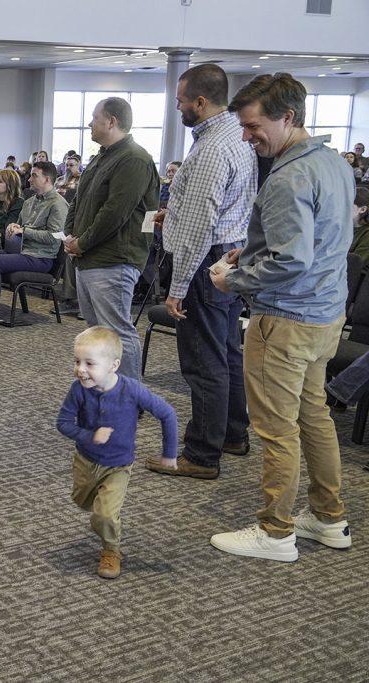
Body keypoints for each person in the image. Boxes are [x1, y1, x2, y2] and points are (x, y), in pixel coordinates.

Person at [209, 73, 354, 562]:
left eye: (252, 127)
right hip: (324, 315)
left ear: (287, 117)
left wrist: (234, 280)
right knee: (314, 416)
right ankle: (329, 519)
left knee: (276, 429)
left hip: (286, 320)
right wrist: (248, 257)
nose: (247, 137)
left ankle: (275, 533)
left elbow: (292, 260)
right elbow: (317, 244)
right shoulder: (332, 162)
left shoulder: (287, 177)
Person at [144, 64, 257, 482]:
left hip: (203, 262)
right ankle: (232, 434)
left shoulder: (211, 149)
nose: (178, 108)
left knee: (202, 362)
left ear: (201, 102)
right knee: (227, 353)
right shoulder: (234, 137)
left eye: (179, 101)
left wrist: (175, 289)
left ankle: (201, 454)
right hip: (224, 257)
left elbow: (199, 227)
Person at [56, 327, 177, 579]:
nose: (80, 369)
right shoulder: (78, 389)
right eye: (77, 361)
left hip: (118, 465)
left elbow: (167, 414)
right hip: (86, 460)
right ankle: (104, 518)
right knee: (81, 500)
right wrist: (89, 436)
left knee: (104, 515)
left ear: (114, 365)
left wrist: (169, 454)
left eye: (89, 363)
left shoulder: (132, 390)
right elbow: (63, 423)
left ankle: (111, 550)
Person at [64, 97, 160, 380]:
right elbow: (79, 201)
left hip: (114, 259)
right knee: (98, 333)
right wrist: (71, 235)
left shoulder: (133, 158)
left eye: (94, 118)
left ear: (111, 122)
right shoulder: (102, 156)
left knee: (117, 332)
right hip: (90, 258)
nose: (89, 123)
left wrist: (82, 242)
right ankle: (107, 390)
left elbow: (115, 212)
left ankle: (129, 398)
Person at [0, 161, 69, 328]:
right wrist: (12, 227)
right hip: (21, 251)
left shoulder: (58, 204)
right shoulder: (29, 202)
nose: (29, 179)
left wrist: (23, 231)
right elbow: (19, 226)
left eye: (34, 176)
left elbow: (54, 238)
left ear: (46, 179)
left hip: (41, 258)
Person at [349, 186, 369, 264]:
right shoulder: (342, 226)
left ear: (363, 209)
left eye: (349, 204)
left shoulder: (366, 235)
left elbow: (355, 264)